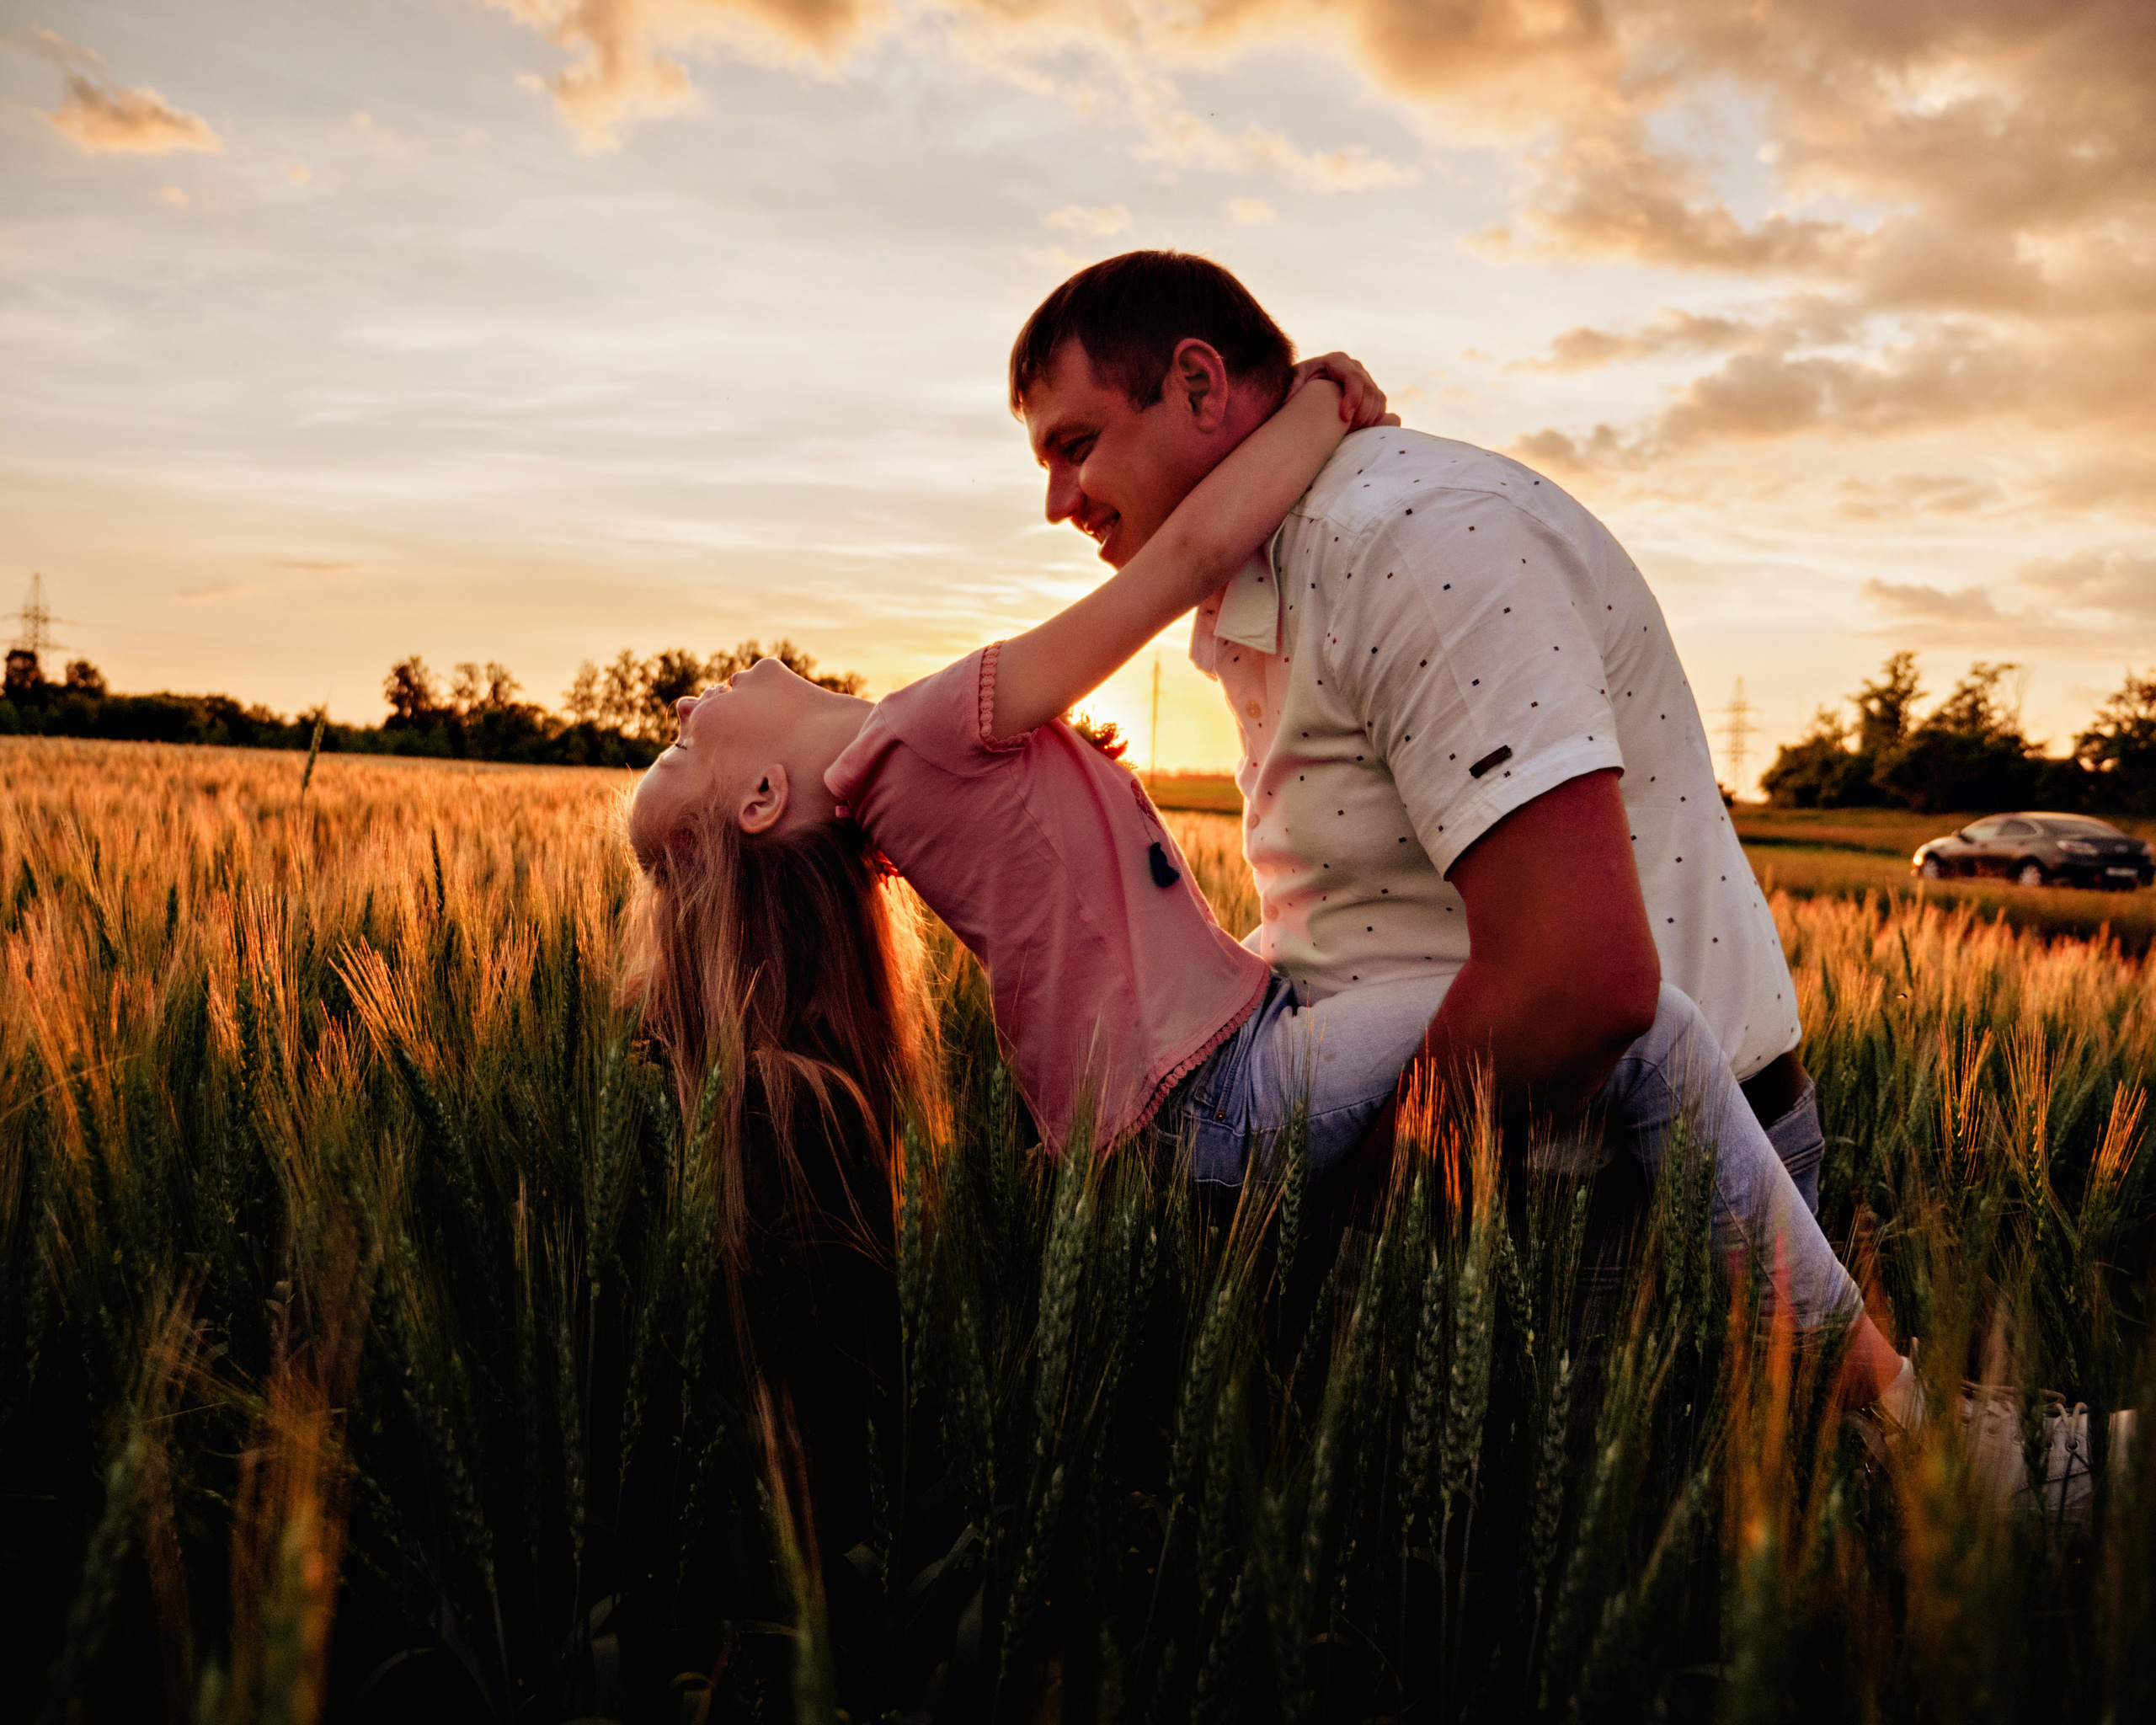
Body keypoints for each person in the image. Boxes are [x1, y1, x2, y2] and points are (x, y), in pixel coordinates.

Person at [620, 360, 1916, 1468]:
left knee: (1599, 1025)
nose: (677, 716)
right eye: (679, 760)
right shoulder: (919, 738)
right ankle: (1895, 1408)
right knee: (1654, 1034)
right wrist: (1315, 405)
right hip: (1219, 1091)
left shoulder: (918, 780)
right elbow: (1182, 557)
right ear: (763, 802)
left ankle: (1863, 1400)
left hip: (1230, 1059)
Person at [1004, 248, 2116, 1522]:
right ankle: (1962, 1465)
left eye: (1074, 443)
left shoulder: (1409, 548)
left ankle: (1986, 1477)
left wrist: (1332, 1208)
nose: (1054, 500)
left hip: (1634, 1192)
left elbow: (1580, 986)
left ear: (1199, 383)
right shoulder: (1276, 564)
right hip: (1502, 1156)